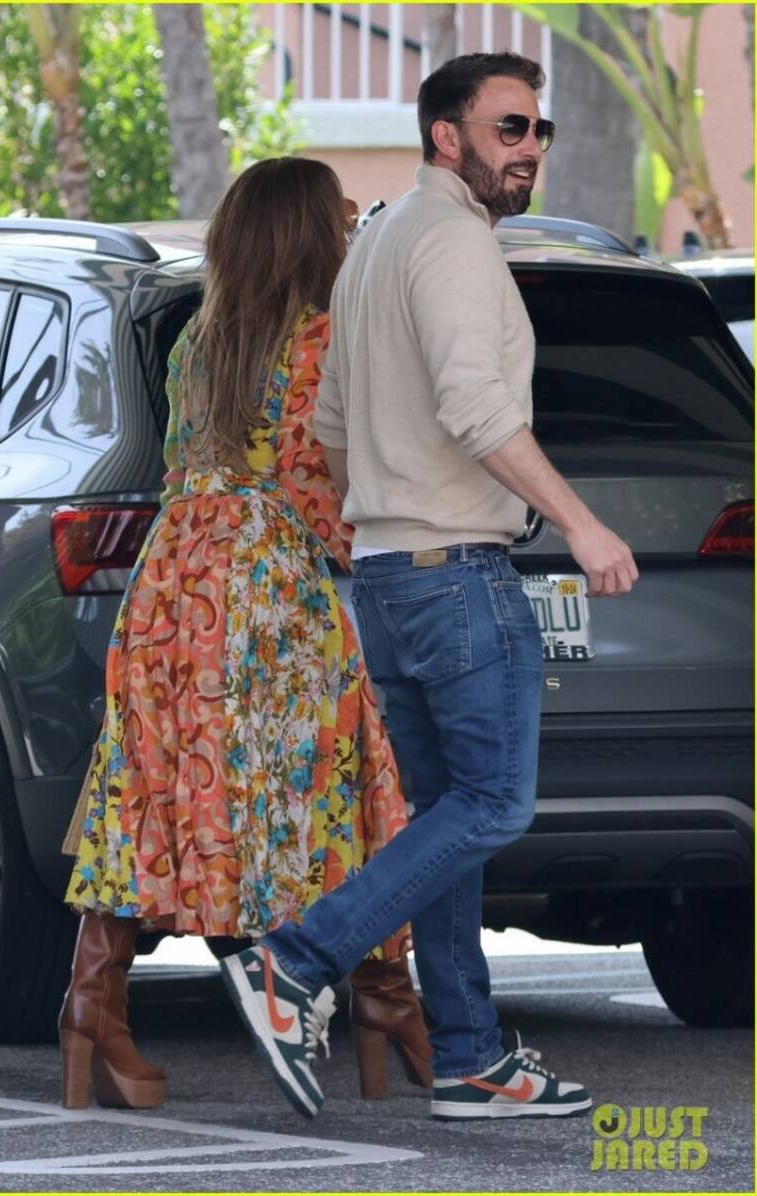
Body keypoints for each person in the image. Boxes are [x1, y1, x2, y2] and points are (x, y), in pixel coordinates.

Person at [221, 53, 639, 1123]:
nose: (530, 148)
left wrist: (384, 515)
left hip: (389, 578)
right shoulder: (451, 241)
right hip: (454, 573)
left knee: (449, 815)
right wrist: (581, 523)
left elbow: (328, 426)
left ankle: (467, 1054)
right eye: (508, 128)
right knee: (493, 803)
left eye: (537, 129)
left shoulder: (376, 244)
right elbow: (474, 407)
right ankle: (294, 960)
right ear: (446, 137)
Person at [58, 157, 431, 1111]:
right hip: (264, 592)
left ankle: (93, 1002)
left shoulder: (199, 340)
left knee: (147, 784)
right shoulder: (320, 339)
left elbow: (183, 464)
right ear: (311, 234)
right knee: (331, 780)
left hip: (169, 582)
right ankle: (387, 997)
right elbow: (316, 487)